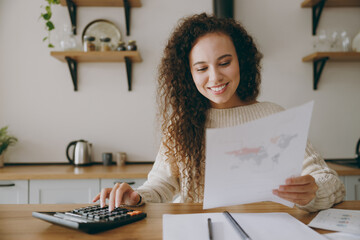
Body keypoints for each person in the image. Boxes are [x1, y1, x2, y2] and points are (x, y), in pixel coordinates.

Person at [92, 13, 345, 212]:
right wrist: (136, 197)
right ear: (188, 75)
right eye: (201, 68)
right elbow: (160, 186)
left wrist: (313, 192)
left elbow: (331, 182)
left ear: (241, 62)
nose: (215, 77)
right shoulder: (181, 127)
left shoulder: (273, 116)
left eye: (224, 63)